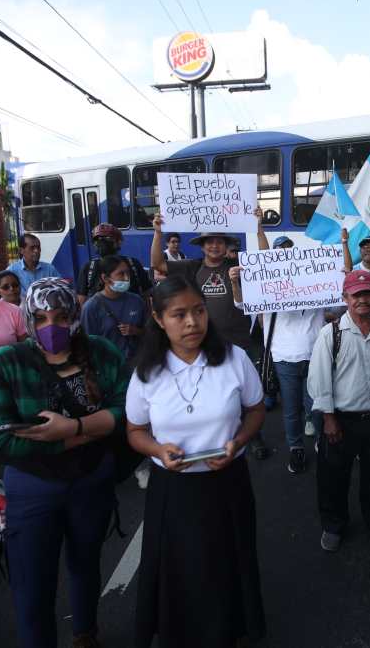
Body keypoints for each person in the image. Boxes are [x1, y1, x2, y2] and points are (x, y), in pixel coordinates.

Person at [0, 277, 128, 648]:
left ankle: (85, 633)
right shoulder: (6, 362)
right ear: (28, 320)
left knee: (85, 562)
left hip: (91, 482)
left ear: (75, 315)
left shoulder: (102, 352)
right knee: (32, 581)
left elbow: (129, 410)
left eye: (61, 317)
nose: (52, 327)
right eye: (41, 318)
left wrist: (72, 427)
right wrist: (81, 435)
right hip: (33, 488)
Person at [126, 275, 266, 648]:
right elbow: (135, 431)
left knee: (227, 563)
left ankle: (228, 631)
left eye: (199, 311)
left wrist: (238, 441)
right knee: (180, 569)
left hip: (227, 484)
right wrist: (158, 451)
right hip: (174, 491)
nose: (192, 322)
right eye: (179, 314)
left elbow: (255, 410)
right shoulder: (146, 372)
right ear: (158, 319)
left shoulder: (233, 358)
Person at [150, 210, 270, 457]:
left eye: (220, 241)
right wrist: (158, 232)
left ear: (226, 245)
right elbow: (157, 264)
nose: (215, 245)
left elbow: (266, 261)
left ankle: (253, 437)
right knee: (213, 393)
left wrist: (259, 228)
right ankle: (217, 437)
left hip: (238, 340)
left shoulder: (237, 266)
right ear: (203, 246)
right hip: (204, 342)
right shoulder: (191, 266)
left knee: (247, 394)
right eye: (210, 241)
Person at [306, 269, 370, 552]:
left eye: (367, 293)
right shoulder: (330, 334)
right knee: (333, 478)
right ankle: (333, 526)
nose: (362, 300)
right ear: (345, 298)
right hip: (340, 421)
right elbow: (319, 379)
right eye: (356, 295)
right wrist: (328, 418)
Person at [229, 235, 327, 474]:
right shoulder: (268, 286)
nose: (284, 254)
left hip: (316, 355)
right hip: (284, 357)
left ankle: (320, 442)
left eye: (287, 249)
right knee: (292, 408)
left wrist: (343, 251)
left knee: (316, 405)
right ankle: (296, 448)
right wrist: (235, 282)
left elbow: (337, 300)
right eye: (279, 251)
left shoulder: (315, 280)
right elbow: (242, 304)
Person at [82, 255, 147, 361]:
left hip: (136, 364)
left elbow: (149, 331)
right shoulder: (91, 307)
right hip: (110, 368)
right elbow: (88, 344)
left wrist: (136, 331)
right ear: (105, 278)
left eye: (128, 273)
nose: (127, 278)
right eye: (121, 274)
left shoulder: (136, 301)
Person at [77, 223, 151, 305]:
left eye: (107, 238)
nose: (101, 242)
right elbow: (82, 300)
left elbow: (147, 294)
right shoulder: (88, 268)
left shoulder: (133, 264)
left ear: (118, 242)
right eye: (98, 239)